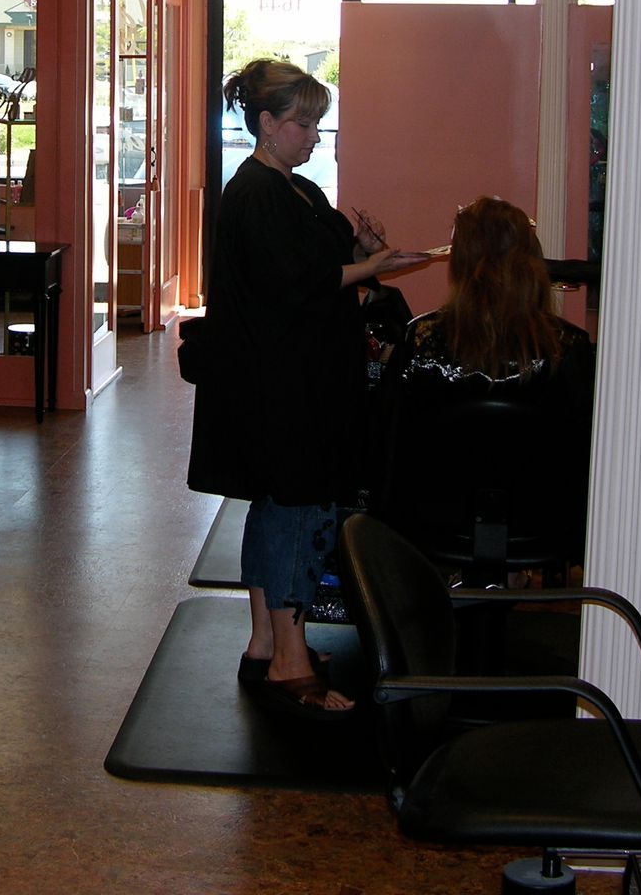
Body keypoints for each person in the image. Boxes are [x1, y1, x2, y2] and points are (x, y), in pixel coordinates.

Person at [188, 57, 428, 718]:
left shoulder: (296, 190)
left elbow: (322, 267)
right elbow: (290, 287)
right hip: (284, 388)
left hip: (296, 381)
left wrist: (364, 254)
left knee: (275, 506)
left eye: (319, 124)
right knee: (297, 510)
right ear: (267, 125)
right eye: (305, 124)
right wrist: (368, 266)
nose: (315, 136)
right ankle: (290, 660)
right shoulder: (255, 194)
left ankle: (266, 641)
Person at [370, 196, 595, 566]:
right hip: (544, 524)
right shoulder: (567, 348)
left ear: (460, 260)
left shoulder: (423, 340)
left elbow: (388, 445)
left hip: (434, 522)